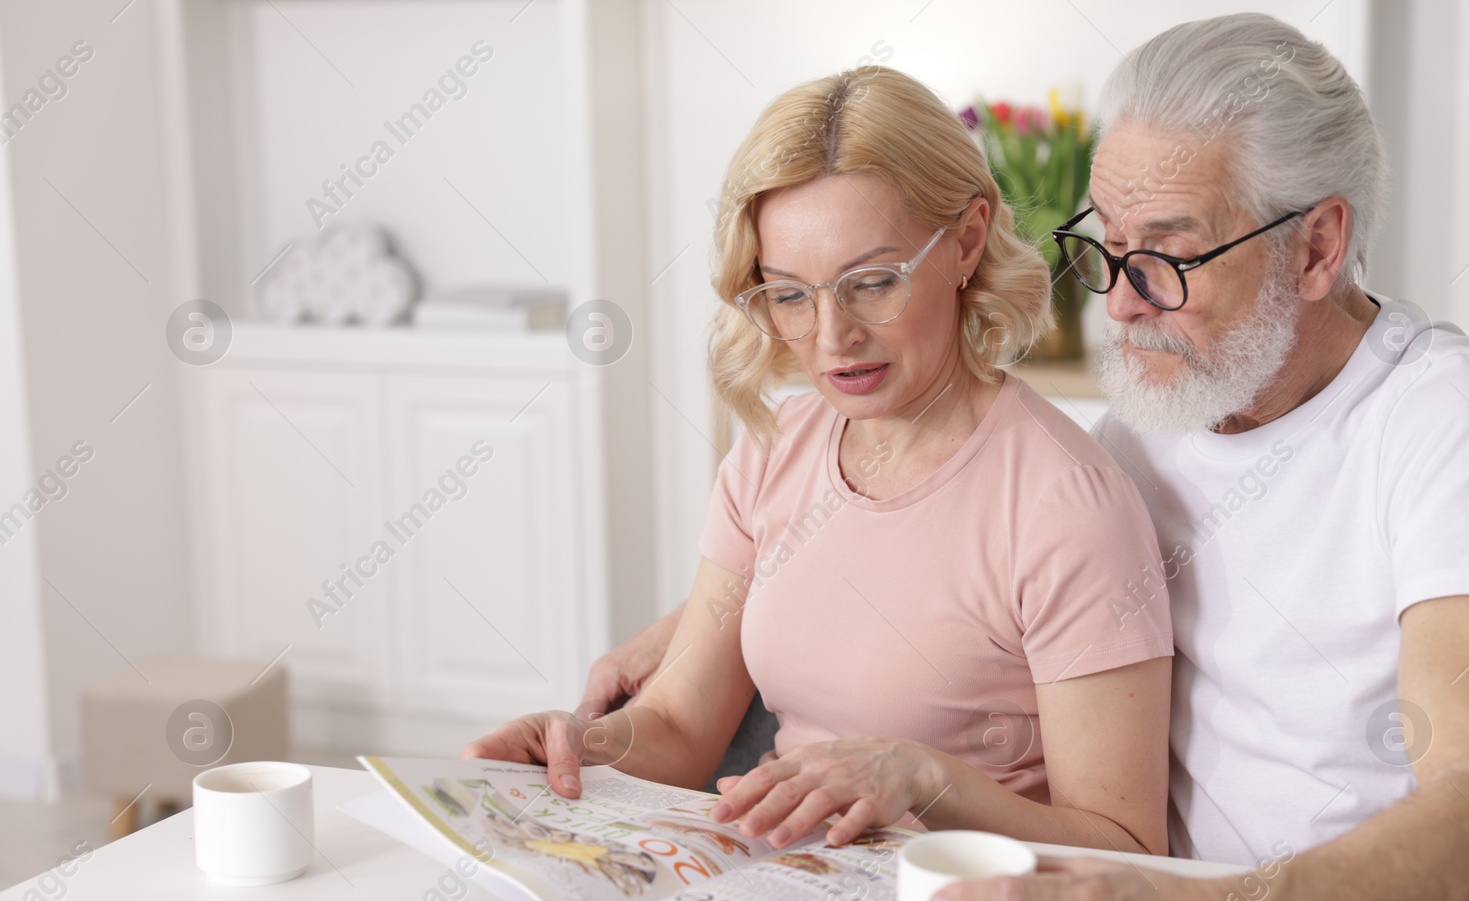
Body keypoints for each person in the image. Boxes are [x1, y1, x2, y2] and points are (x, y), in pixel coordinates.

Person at [581, 14, 1469, 901]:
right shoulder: (1162, 407)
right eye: (1106, 246)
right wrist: (698, 628)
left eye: (1167, 253)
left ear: (1317, 245)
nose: (1118, 302)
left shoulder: (1454, 422)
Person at [464, 67, 1175, 855]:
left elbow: (1124, 848)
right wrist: (573, 747)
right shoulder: (775, 451)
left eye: (872, 283)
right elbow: (679, 724)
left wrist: (920, 779)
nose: (833, 339)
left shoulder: (1063, 502)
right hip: (769, 894)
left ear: (968, 240)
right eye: (790, 295)